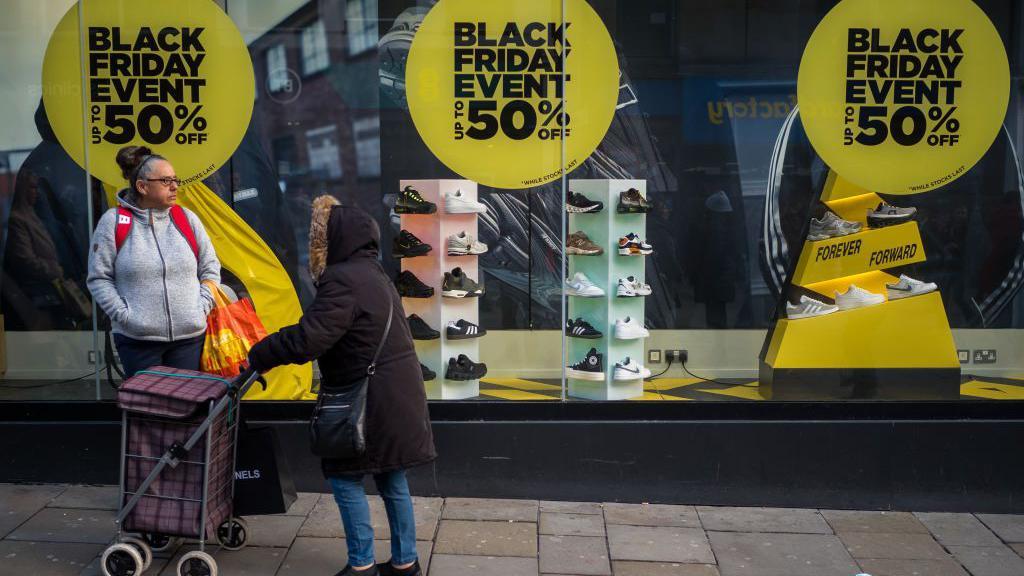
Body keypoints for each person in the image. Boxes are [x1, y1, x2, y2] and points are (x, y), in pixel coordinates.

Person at [248, 195, 435, 576]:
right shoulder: (375, 273)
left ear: (334, 240)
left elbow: (309, 338)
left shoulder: (341, 279)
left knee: (345, 477)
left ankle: (362, 565)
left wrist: (261, 352)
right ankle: (405, 563)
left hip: (368, 401)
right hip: (398, 394)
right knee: (392, 477)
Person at [87, 145, 221, 377]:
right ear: (142, 186)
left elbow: (210, 267)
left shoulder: (186, 219)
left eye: (175, 179)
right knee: (148, 409)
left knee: (185, 407)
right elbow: (99, 278)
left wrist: (201, 307)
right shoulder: (114, 222)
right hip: (137, 340)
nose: (175, 186)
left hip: (189, 339)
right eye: (166, 180)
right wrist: (125, 316)